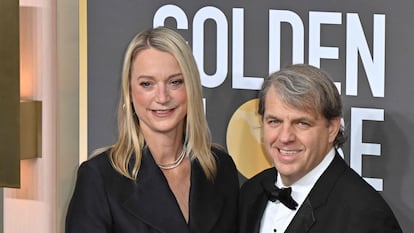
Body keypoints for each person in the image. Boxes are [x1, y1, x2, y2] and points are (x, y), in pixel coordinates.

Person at [66, 26, 239, 233]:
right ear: (129, 93)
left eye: (175, 82)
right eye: (147, 84)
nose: (163, 97)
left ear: (191, 88)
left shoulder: (220, 168)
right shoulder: (100, 178)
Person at [238, 64, 402, 233]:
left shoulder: (366, 217)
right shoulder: (251, 193)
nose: (285, 137)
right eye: (274, 121)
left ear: (332, 128)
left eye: (302, 123)